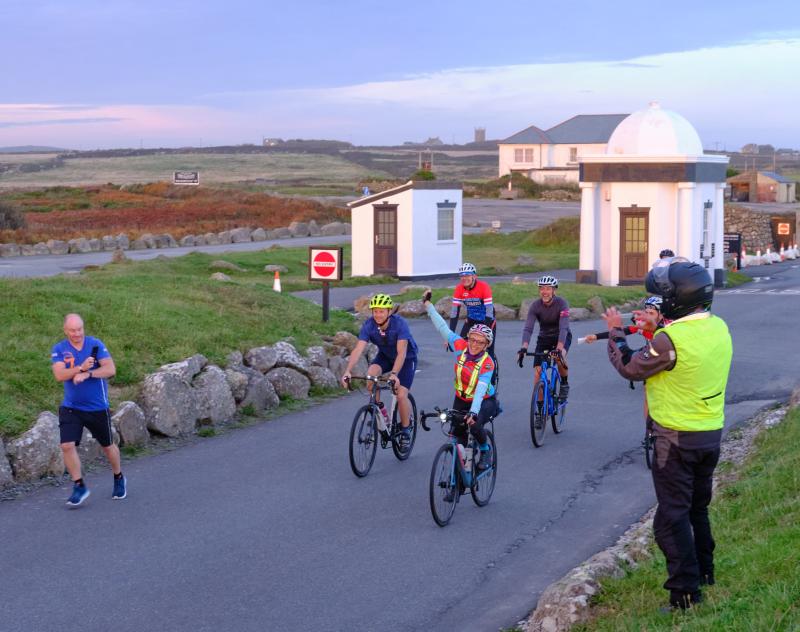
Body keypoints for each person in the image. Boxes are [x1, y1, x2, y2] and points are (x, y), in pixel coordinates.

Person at [603, 259, 733, 611]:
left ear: (676, 300)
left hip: (675, 440)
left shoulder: (669, 339)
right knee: (697, 509)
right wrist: (655, 324)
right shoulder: (718, 327)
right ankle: (705, 572)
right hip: (710, 434)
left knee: (669, 520)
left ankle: (685, 594)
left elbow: (630, 367)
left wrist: (616, 332)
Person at [51, 313, 125, 507]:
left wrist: (88, 373)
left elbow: (110, 370)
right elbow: (59, 375)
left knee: (108, 446)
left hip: (97, 407)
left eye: (80, 329)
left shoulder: (95, 345)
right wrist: (79, 368)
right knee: (66, 445)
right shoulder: (59, 349)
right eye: (73, 330)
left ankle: (118, 477)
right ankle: (79, 485)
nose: (77, 333)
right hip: (71, 407)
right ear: (65, 330)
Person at [422, 290, 497, 473]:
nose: (475, 344)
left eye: (480, 342)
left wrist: (473, 412)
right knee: (458, 438)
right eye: (472, 339)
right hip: (461, 398)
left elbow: (480, 390)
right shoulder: (460, 346)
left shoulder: (488, 363)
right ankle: (459, 482)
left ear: (487, 345)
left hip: (485, 400)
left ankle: (486, 451)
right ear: (468, 338)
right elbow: (442, 328)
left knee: (474, 424)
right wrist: (428, 306)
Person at [341, 294, 418, 449]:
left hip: (406, 358)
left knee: (401, 394)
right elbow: (358, 349)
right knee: (371, 378)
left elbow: (401, 352)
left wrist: (394, 374)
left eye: (381, 311)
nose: (378, 314)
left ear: (389, 312)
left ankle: (405, 430)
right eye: (375, 311)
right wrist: (347, 371)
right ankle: (382, 413)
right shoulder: (369, 325)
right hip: (385, 356)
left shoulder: (399, 324)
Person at [517, 275, 571, 405]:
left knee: (560, 358)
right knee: (538, 373)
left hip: (561, 336)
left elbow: (564, 328)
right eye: (542, 288)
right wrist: (524, 347)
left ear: (554, 290)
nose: (545, 291)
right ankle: (539, 412)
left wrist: (559, 349)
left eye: (548, 288)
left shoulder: (562, 304)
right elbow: (528, 328)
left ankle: (564, 384)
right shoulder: (535, 306)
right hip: (544, 338)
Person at [449, 263, 497, 359]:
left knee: (487, 349)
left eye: (467, 275)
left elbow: (489, 311)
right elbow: (454, 313)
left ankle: (492, 372)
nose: (464, 278)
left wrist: (484, 331)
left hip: (487, 320)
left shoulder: (483, 287)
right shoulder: (459, 289)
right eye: (462, 276)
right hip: (471, 320)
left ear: (474, 276)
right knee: (462, 345)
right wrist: (450, 335)